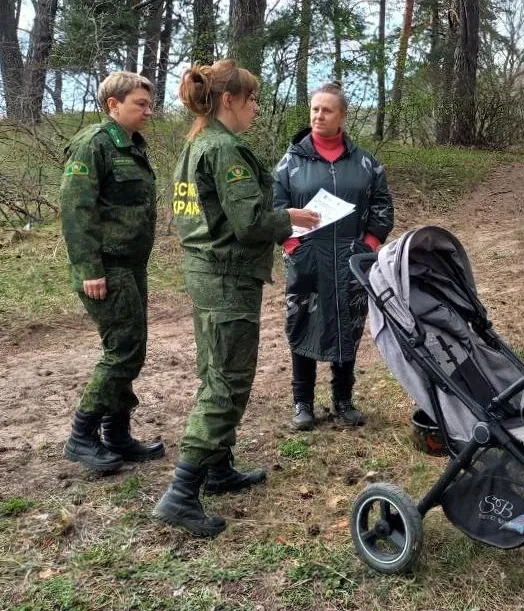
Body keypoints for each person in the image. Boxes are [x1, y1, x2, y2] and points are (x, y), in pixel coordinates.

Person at [153, 60, 320, 537]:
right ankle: (181, 493)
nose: (256, 109)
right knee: (227, 382)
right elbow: (248, 223)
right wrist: (289, 218)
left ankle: (219, 466)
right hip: (226, 278)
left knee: (214, 370)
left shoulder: (194, 144)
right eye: (251, 100)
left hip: (205, 273)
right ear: (230, 100)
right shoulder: (224, 149)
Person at [273, 82, 394, 431]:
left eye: (326, 110)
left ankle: (343, 399)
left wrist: (369, 243)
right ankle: (303, 402)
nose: (318, 115)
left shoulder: (365, 162)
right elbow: (274, 206)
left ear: (342, 115)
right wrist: (292, 245)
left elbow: (382, 205)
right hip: (306, 256)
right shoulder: (291, 162)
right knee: (304, 323)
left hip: (351, 259)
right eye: (314, 109)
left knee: (347, 324)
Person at [60, 71, 164, 474]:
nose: (148, 111)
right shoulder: (93, 145)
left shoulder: (132, 146)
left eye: (149, 104)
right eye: (140, 104)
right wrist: (90, 269)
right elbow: (75, 210)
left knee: (131, 348)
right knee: (121, 351)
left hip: (131, 265)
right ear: (113, 104)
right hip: (106, 267)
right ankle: (81, 437)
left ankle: (117, 433)